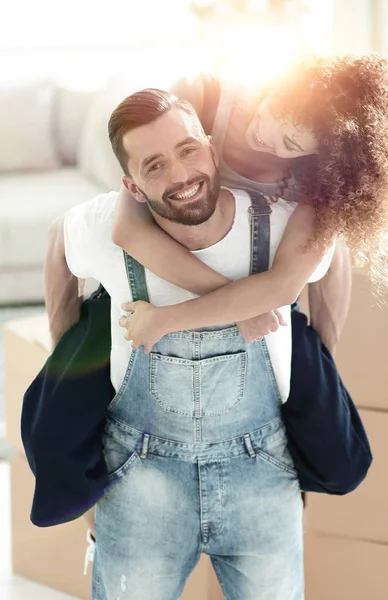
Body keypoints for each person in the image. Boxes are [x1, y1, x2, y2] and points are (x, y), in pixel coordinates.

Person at [46, 87, 339, 600]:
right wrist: (66, 372)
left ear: (211, 147)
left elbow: (331, 265)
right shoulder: (104, 228)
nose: (180, 176)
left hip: (262, 473)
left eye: (187, 150)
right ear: (132, 188)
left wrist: (321, 387)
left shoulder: (282, 222)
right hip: (138, 479)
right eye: (154, 166)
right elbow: (57, 243)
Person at [110, 54, 388, 351]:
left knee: (332, 260)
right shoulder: (206, 96)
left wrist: (165, 320)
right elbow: (128, 229)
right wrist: (243, 306)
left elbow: (283, 286)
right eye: (274, 113)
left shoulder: (325, 177)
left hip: (262, 277)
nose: (266, 136)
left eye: (291, 145)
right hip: (204, 261)